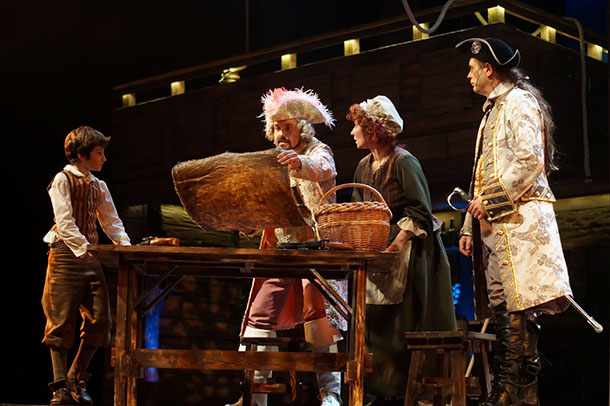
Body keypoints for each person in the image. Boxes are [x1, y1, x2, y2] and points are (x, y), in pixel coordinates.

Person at [454, 37, 573, 406]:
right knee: (505, 306)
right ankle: (514, 391)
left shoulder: (519, 102)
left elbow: (529, 159)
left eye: (473, 69)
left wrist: (489, 201)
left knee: (520, 304)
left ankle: (513, 391)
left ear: (489, 69)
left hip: (519, 224)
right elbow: (481, 173)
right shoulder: (492, 110)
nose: (469, 76)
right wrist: (468, 226)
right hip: (495, 225)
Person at [227, 88, 346, 406]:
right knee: (258, 317)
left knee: (319, 320)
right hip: (282, 249)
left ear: (302, 129)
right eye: (277, 128)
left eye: (287, 127)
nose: (281, 134)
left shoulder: (319, 150)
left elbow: (322, 168)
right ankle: (253, 395)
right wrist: (251, 223)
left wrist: (298, 162)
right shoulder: (274, 161)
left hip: (315, 249)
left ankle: (331, 393)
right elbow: (267, 204)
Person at [346, 96, 457, 404]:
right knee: (377, 322)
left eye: (357, 126)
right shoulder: (362, 167)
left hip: (410, 251)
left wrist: (398, 242)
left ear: (373, 131)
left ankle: (407, 390)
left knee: (403, 321)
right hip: (378, 251)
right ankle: (381, 392)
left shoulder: (404, 162)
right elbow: (359, 208)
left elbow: (420, 209)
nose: (352, 132)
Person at [42, 126, 131, 405]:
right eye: (99, 153)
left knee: (101, 320)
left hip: (89, 255)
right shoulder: (63, 179)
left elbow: (111, 221)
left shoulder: (98, 185)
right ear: (82, 155)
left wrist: (127, 249)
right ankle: (59, 388)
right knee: (60, 320)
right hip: (66, 254)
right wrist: (84, 249)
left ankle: (75, 376)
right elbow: (65, 220)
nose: (104, 158)